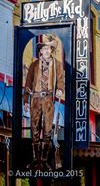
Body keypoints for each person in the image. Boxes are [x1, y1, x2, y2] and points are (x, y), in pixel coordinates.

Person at [24, 36, 64, 170]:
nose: (47, 50)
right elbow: (28, 82)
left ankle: (45, 160)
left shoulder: (57, 64)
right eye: (44, 48)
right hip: (35, 99)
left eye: (49, 48)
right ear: (40, 51)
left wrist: (60, 89)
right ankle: (36, 160)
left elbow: (60, 79)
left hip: (48, 100)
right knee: (34, 130)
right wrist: (25, 100)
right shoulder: (34, 65)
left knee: (47, 130)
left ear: (51, 50)